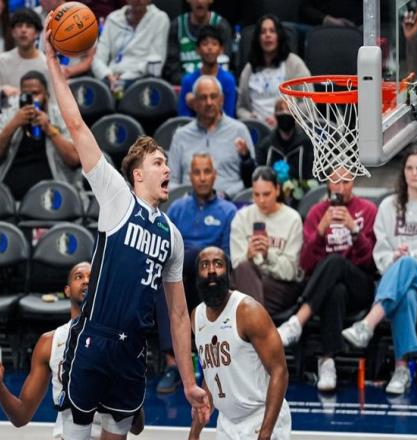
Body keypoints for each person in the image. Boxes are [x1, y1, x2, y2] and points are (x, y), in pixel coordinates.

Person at [43, 14, 209, 439]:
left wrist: (189, 382)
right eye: (158, 163)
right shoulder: (118, 196)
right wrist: (52, 62)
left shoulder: (172, 235)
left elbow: (178, 315)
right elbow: (77, 126)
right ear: (137, 174)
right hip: (93, 341)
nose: (167, 169)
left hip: (133, 353)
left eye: (167, 163)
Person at [0, 262, 144, 439]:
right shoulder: (49, 343)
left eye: (92, 277)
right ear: (67, 290)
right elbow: (21, 416)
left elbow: (137, 427)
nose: (86, 281)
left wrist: (125, 379)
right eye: (79, 276)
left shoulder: (120, 341)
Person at [342, 143, 417, 395]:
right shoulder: (388, 207)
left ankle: (368, 323)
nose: (414, 173)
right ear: (403, 171)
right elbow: (379, 255)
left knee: (407, 264)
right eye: (409, 168)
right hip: (398, 285)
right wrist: (393, 256)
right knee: (407, 295)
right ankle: (401, 369)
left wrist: (413, 256)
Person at [277, 167, 377, 392]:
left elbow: (372, 262)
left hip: (360, 284)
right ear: (328, 184)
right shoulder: (316, 213)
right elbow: (306, 264)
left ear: (354, 182)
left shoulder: (368, 210)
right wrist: (320, 232)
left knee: (336, 262)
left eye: (346, 181)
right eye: (335, 181)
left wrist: (354, 230)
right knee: (335, 290)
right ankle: (327, 362)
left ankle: (297, 321)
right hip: (325, 289)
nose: (340, 187)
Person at [189, 246, 291, 440]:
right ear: (197, 276)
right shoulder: (196, 317)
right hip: (227, 423)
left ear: (228, 273)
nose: (211, 270)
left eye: (218, 264)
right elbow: (212, 374)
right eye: (204, 265)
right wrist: (194, 433)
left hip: (261, 418)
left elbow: (280, 371)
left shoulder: (248, 311)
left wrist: (265, 434)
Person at [155, 153, 237, 394]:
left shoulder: (228, 210)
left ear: (215, 175)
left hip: (212, 277)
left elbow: (227, 256)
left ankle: (211, 363)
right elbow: (167, 247)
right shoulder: (177, 208)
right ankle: (173, 364)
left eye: (206, 171)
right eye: (197, 172)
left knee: (195, 256)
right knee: (165, 278)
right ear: (189, 176)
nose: (202, 177)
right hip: (180, 278)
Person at [0, 70, 80, 201]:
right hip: (9, 196)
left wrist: (49, 129)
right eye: (26, 94)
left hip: (53, 196)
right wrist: (13, 125)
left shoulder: (61, 116)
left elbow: (75, 159)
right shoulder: (9, 115)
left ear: (46, 95)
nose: (31, 99)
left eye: (36, 94)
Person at [230, 166, 303, 317]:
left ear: (277, 190)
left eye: (266, 194)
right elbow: (237, 267)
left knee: (240, 299)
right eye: (256, 195)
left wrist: (268, 255)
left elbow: (291, 272)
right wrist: (248, 255)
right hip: (248, 281)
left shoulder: (293, 219)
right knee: (244, 269)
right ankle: (261, 328)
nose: (261, 200)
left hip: (278, 285)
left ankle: (252, 324)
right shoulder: (242, 217)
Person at [169, 75, 255, 198]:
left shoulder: (239, 130)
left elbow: (251, 178)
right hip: (190, 204)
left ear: (222, 100)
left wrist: (226, 194)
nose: (209, 102)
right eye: (203, 98)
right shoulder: (181, 136)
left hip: (231, 202)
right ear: (194, 103)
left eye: (213, 96)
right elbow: (172, 181)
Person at [237, 14, 310, 128]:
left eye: (272, 31)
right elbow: (241, 108)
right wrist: (250, 117)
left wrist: (283, 117)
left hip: (287, 128)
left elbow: (309, 103)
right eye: (263, 32)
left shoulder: (294, 63)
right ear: (258, 38)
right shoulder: (249, 68)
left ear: (279, 36)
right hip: (257, 129)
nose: (268, 35)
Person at [91, 0, 170, 93]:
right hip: (110, 79)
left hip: (141, 80)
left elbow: (156, 60)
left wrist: (123, 78)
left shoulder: (160, 18)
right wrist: (108, 75)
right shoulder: (113, 19)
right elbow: (97, 58)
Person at [0, 8, 48, 111]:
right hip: (8, 118)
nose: (23, 30)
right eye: (19, 26)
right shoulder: (3, 61)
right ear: (13, 32)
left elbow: (54, 104)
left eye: (28, 26)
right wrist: (1, 92)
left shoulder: (47, 64)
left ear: (36, 33)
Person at [163, 0, 232, 85]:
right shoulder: (177, 26)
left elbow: (224, 63)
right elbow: (172, 69)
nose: (199, 1)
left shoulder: (221, 26)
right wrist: (191, 83)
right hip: (184, 85)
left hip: (215, 86)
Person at [177, 25, 236, 118]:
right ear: (197, 50)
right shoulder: (188, 81)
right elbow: (183, 118)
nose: (209, 48)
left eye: (214, 44)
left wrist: (195, 103)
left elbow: (229, 116)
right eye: (205, 44)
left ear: (221, 50)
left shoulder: (228, 80)